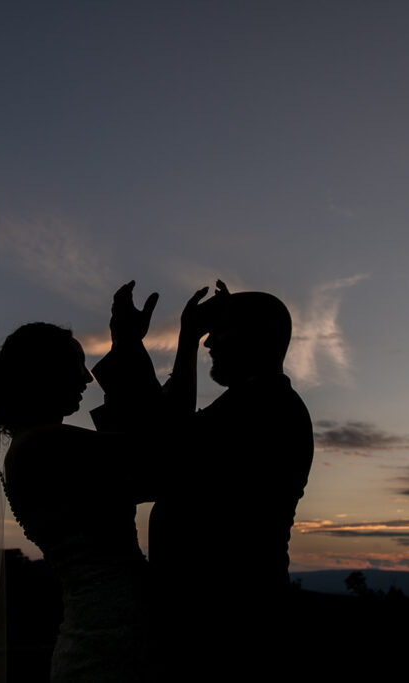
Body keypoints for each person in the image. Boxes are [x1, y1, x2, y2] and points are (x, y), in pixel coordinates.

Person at [92, 281, 314, 678]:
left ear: (257, 336)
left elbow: (159, 455)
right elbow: (163, 437)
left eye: (220, 331)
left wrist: (138, 343)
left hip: (225, 627)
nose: (210, 343)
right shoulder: (248, 404)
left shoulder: (265, 409)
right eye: (207, 335)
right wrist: (180, 342)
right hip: (212, 620)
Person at [0, 322, 154, 683]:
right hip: (111, 641)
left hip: (110, 630)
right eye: (77, 365)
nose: (87, 379)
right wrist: (177, 344)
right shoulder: (44, 444)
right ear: (44, 373)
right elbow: (161, 453)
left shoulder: (41, 445)